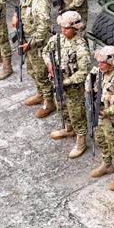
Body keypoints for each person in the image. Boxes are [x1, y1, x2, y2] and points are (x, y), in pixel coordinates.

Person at [44, 10, 92, 158]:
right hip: (58, 82)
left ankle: (81, 140)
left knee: (76, 113)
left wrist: (66, 82)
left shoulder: (80, 46)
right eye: (62, 28)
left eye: (66, 28)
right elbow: (46, 52)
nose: (62, 31)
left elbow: (84, 72)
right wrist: (49, 65)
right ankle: (68, 128)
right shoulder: (57, 39)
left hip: (73, 88)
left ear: (75, 29)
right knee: (62, 107)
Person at [13, 0, 54, 118]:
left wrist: (31, 43)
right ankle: (40, 94)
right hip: (28, 41)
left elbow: (44, 27)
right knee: (32, 70)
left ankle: (48, 102)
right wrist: (16, 17)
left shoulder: (39, 2)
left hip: (38, 44)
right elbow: (20, 11)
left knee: (42, 73)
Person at [90, 46, 114, 190]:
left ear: (113, 62)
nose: (99, 65)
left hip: (112, 120)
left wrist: (107, 111)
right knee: (100, 140)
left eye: (103, 62)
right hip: (98, 115)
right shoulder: (97, 73)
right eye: (98, 62)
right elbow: (89, 87)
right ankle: (107, 164)